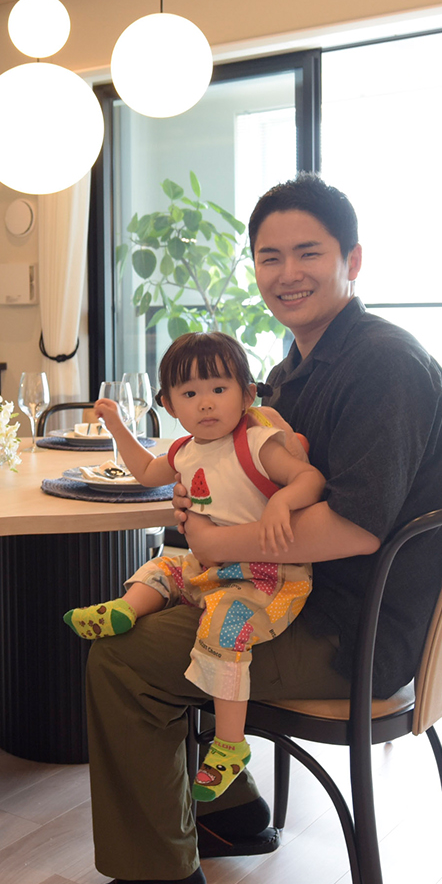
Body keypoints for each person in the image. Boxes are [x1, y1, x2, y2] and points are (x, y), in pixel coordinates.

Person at [50, 174, 442, 884]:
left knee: (125, 654)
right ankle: (231, 814)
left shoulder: (384, 367)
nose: (288, 272)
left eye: (309, 252)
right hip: (301, 594)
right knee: (174, 596)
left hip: (349, 628)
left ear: (353, 260)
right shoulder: (298, 367)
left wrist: (217, 542)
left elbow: (355, 529)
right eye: (270, 256)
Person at [64, 331, 327, 805]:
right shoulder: (185, 451)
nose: (206, 403)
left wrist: (282, 502)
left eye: (219, 389)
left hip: (269, 579)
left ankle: (230, 745)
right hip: (212, 569)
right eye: (189, 393)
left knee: (224, 628)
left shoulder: (257, 442)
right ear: (168, 405)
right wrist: (118, 426)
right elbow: (147, 473)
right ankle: (125, 610)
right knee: (161, 566)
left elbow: (310, 478)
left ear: (247, 395)